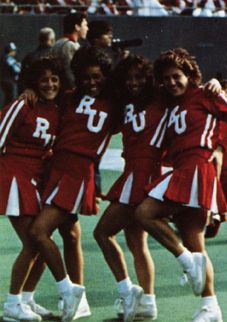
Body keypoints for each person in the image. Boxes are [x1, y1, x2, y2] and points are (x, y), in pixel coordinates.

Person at [134, 48, 227, 322]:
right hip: (182, 170)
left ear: (189, 75)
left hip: (197, 169)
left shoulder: (205, 95)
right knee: (195, 244)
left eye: (177, 76)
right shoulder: (169, 104)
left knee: (144, 213)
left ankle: (186, 262)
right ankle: (210, 307)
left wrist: (220, 92)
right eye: (166, 78)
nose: (171, 82)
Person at [26, 46, 113, 322]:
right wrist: (29, 93)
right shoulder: (69, 97)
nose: (91, 82)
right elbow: (45, 94)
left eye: (97, 77)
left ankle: (69, 291)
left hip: (77, 172)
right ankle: (80, 300)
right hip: (57, 170)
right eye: (86, 77)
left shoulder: (114, 102)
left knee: (39, 231)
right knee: (71, 235)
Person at [94, 55, 164, 322]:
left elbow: (186, 89)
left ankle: (128, 290)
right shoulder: (123, 103)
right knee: (136, 242)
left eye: (139, 77)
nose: (134, 83)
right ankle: (148, 301)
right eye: (129, 78)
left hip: (143, 174)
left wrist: (214, 82)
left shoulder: (159, 97)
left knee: (103, 233)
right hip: (131, 171)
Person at [0, 57, 63, 322]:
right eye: (44, 80)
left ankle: (26, 299)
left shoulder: (57, 110)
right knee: (33, 242)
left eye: (54, 79)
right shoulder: (23, 104)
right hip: (13, 177)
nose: (50, 84)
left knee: (41, 241)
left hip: (35, 181)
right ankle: (12, 303)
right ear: (33, 83)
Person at [205, 79, 227, 238]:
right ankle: (210, 225)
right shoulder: (215, 121)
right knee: (217, 206)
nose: (226, 99)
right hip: (226, 171)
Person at [52, 12, 88, 90]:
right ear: (77, 27)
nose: (87, 28)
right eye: (85, 25)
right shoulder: (70, 46)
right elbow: (70, 72)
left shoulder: (58, 43)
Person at [19, 27, 56, 92]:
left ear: (39, 39)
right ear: (52, 40)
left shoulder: (29, 57)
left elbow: (22, 80)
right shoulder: (56, 57)